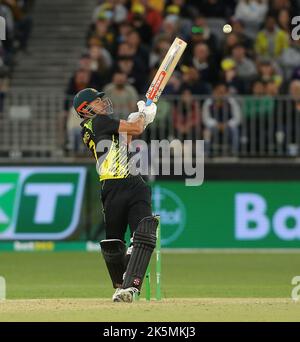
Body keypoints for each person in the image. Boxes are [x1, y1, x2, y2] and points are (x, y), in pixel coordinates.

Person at [73, 88, 158, 303]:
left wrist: (137, 121)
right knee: (136, 239)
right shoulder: (100, 122)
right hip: (127, 183)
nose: (102, 103)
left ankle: (126, 288)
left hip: (111, 188)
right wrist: (144, 116)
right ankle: (126, 285)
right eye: (97, 101)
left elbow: (124, 146)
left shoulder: (89, 128)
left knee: (119, 242)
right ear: (85, 109)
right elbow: (136, 129)